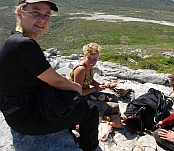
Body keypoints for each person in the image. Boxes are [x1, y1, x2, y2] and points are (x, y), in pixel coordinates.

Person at [0, 1, 99, 151]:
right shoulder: (24, 44)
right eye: (36, 13)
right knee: (89, 110)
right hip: (24, 116)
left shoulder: (16, 39)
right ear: (20, 13)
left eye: (46, 15)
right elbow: (57, 81)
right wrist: (77, 88)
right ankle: (89, 148)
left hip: (17, 108)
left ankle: (68, 127)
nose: (42, 19)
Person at [69, 42, 120, 116]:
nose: (92, 62)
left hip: (87, 94)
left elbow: (90, 80)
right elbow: (79, 92)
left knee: (114, 98)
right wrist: (95, 89)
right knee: (115, 108)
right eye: (89, 58)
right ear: (84, 56)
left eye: (94, 59)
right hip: (79, 100)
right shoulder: (80, 69)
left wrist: (103, 85)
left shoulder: (89, 67)